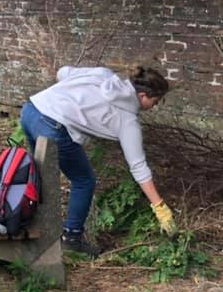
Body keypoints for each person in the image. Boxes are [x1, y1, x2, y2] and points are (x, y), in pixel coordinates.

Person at [20, 65, 177, 257]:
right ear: (143, 95)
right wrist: (160, 207)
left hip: (31, 111)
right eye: (155, 101)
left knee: (38, 173)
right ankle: (72, 239)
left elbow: (62, 72)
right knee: (84, 181)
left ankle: (25, 218)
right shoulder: (127, 121)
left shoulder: (103, 74)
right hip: (53, 127)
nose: (155, 106)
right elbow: (138, 167)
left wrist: (74, 98)